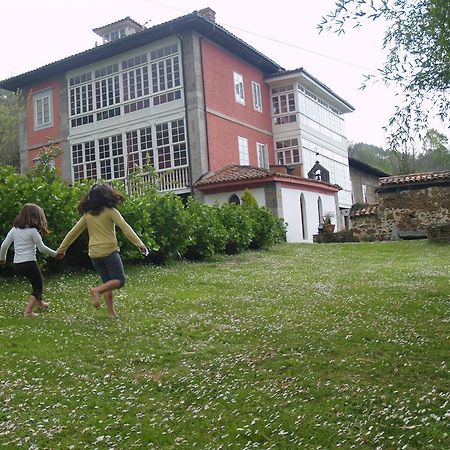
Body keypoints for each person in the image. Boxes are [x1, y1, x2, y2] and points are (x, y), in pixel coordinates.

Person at [56, 184, 147, 319]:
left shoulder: (87, 215)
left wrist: (61, 250)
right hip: (109, 251)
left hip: (94, 254)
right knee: (119, 280)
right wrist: (139, 243)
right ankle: (96, 290)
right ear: (107, 196)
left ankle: (111, 313)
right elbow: (125, 227)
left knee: (107, 283)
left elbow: (73, 233)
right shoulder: (110, 211)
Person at [0, 203, 57, 317]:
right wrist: (56, 254)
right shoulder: (33, 231)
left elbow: (4, 245)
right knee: (38, 285)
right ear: (36, 217)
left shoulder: (14, 230)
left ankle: (40, 304)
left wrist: (2, 258)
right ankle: (28, 311)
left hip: (18, 264)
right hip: (29, 262)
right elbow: (41, 248)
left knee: (34, 281)